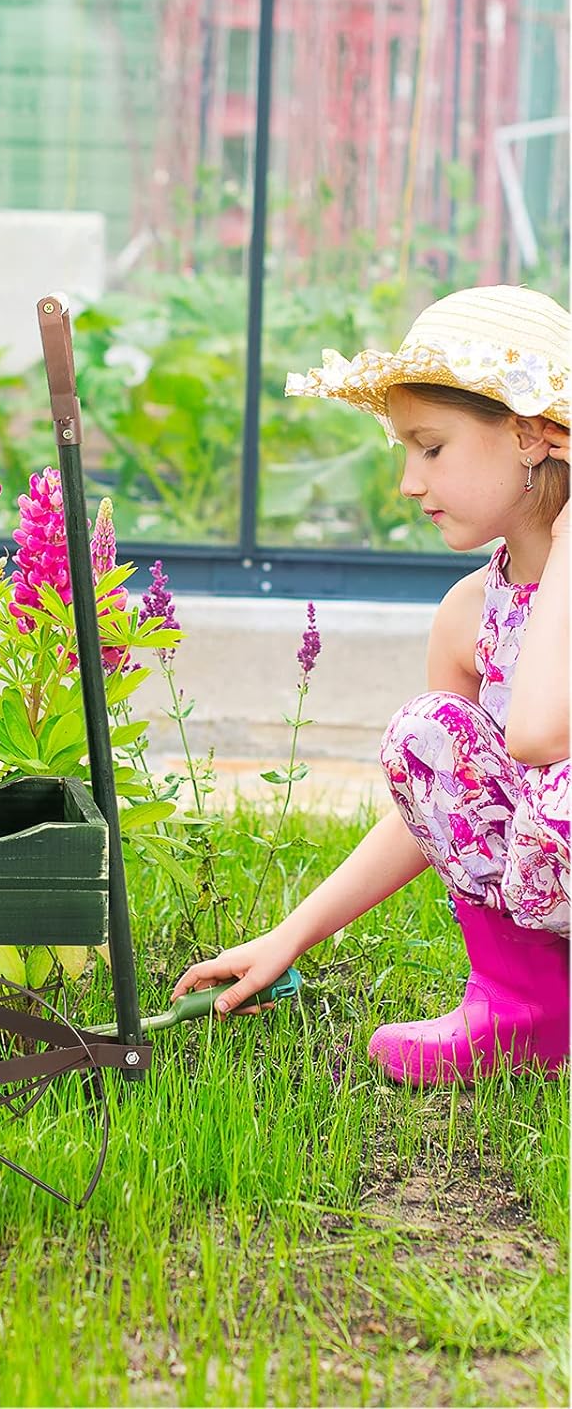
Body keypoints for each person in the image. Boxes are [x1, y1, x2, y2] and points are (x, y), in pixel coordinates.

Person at [172, 285, 570, 1085]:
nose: (408, 484)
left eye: (431, 448)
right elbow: (436, 806)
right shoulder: (468, 616)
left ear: (530, 436)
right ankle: (526, 1008)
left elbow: (535, 737)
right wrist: (288, 936)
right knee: (428, 734)